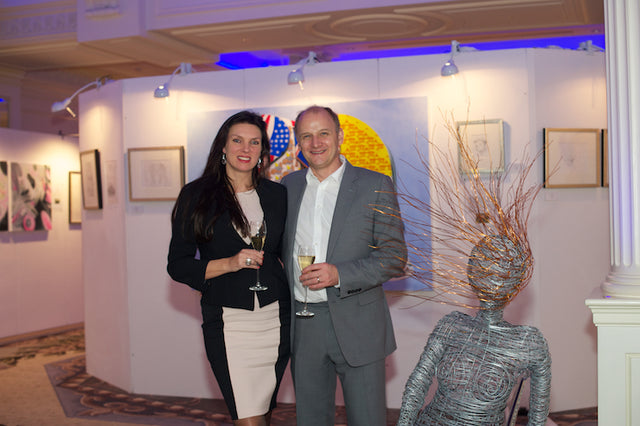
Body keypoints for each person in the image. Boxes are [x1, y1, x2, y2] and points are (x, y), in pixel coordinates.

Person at [281, 105, 407, 426]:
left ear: (339, 136)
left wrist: (339, 274)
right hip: (304, 324)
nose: (315, 143)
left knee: (367, 419)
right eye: (306, 136)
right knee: (310, 420)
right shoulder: (288, 186)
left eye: (323, 133)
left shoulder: (374, 185)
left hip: (358, 323)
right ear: (298, 143)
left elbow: (395, 257)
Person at [167, 110, 290, 426]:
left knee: (263, 412)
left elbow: (286, 253)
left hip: (276, 319)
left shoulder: (277, 195)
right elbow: (178, 265)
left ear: (263, 151)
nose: (245, 149)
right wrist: (230, 263)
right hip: (228, 321)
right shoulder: (196, 195)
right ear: (223, 146)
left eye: (254, 142)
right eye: (237, 140)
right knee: (248, 417)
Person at [397, 235, 551, 425]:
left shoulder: (528, 342)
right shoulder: (451, 325)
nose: (493, 281)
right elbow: (417, 385)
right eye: (487, 271)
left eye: (500, 273)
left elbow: (538, 415)